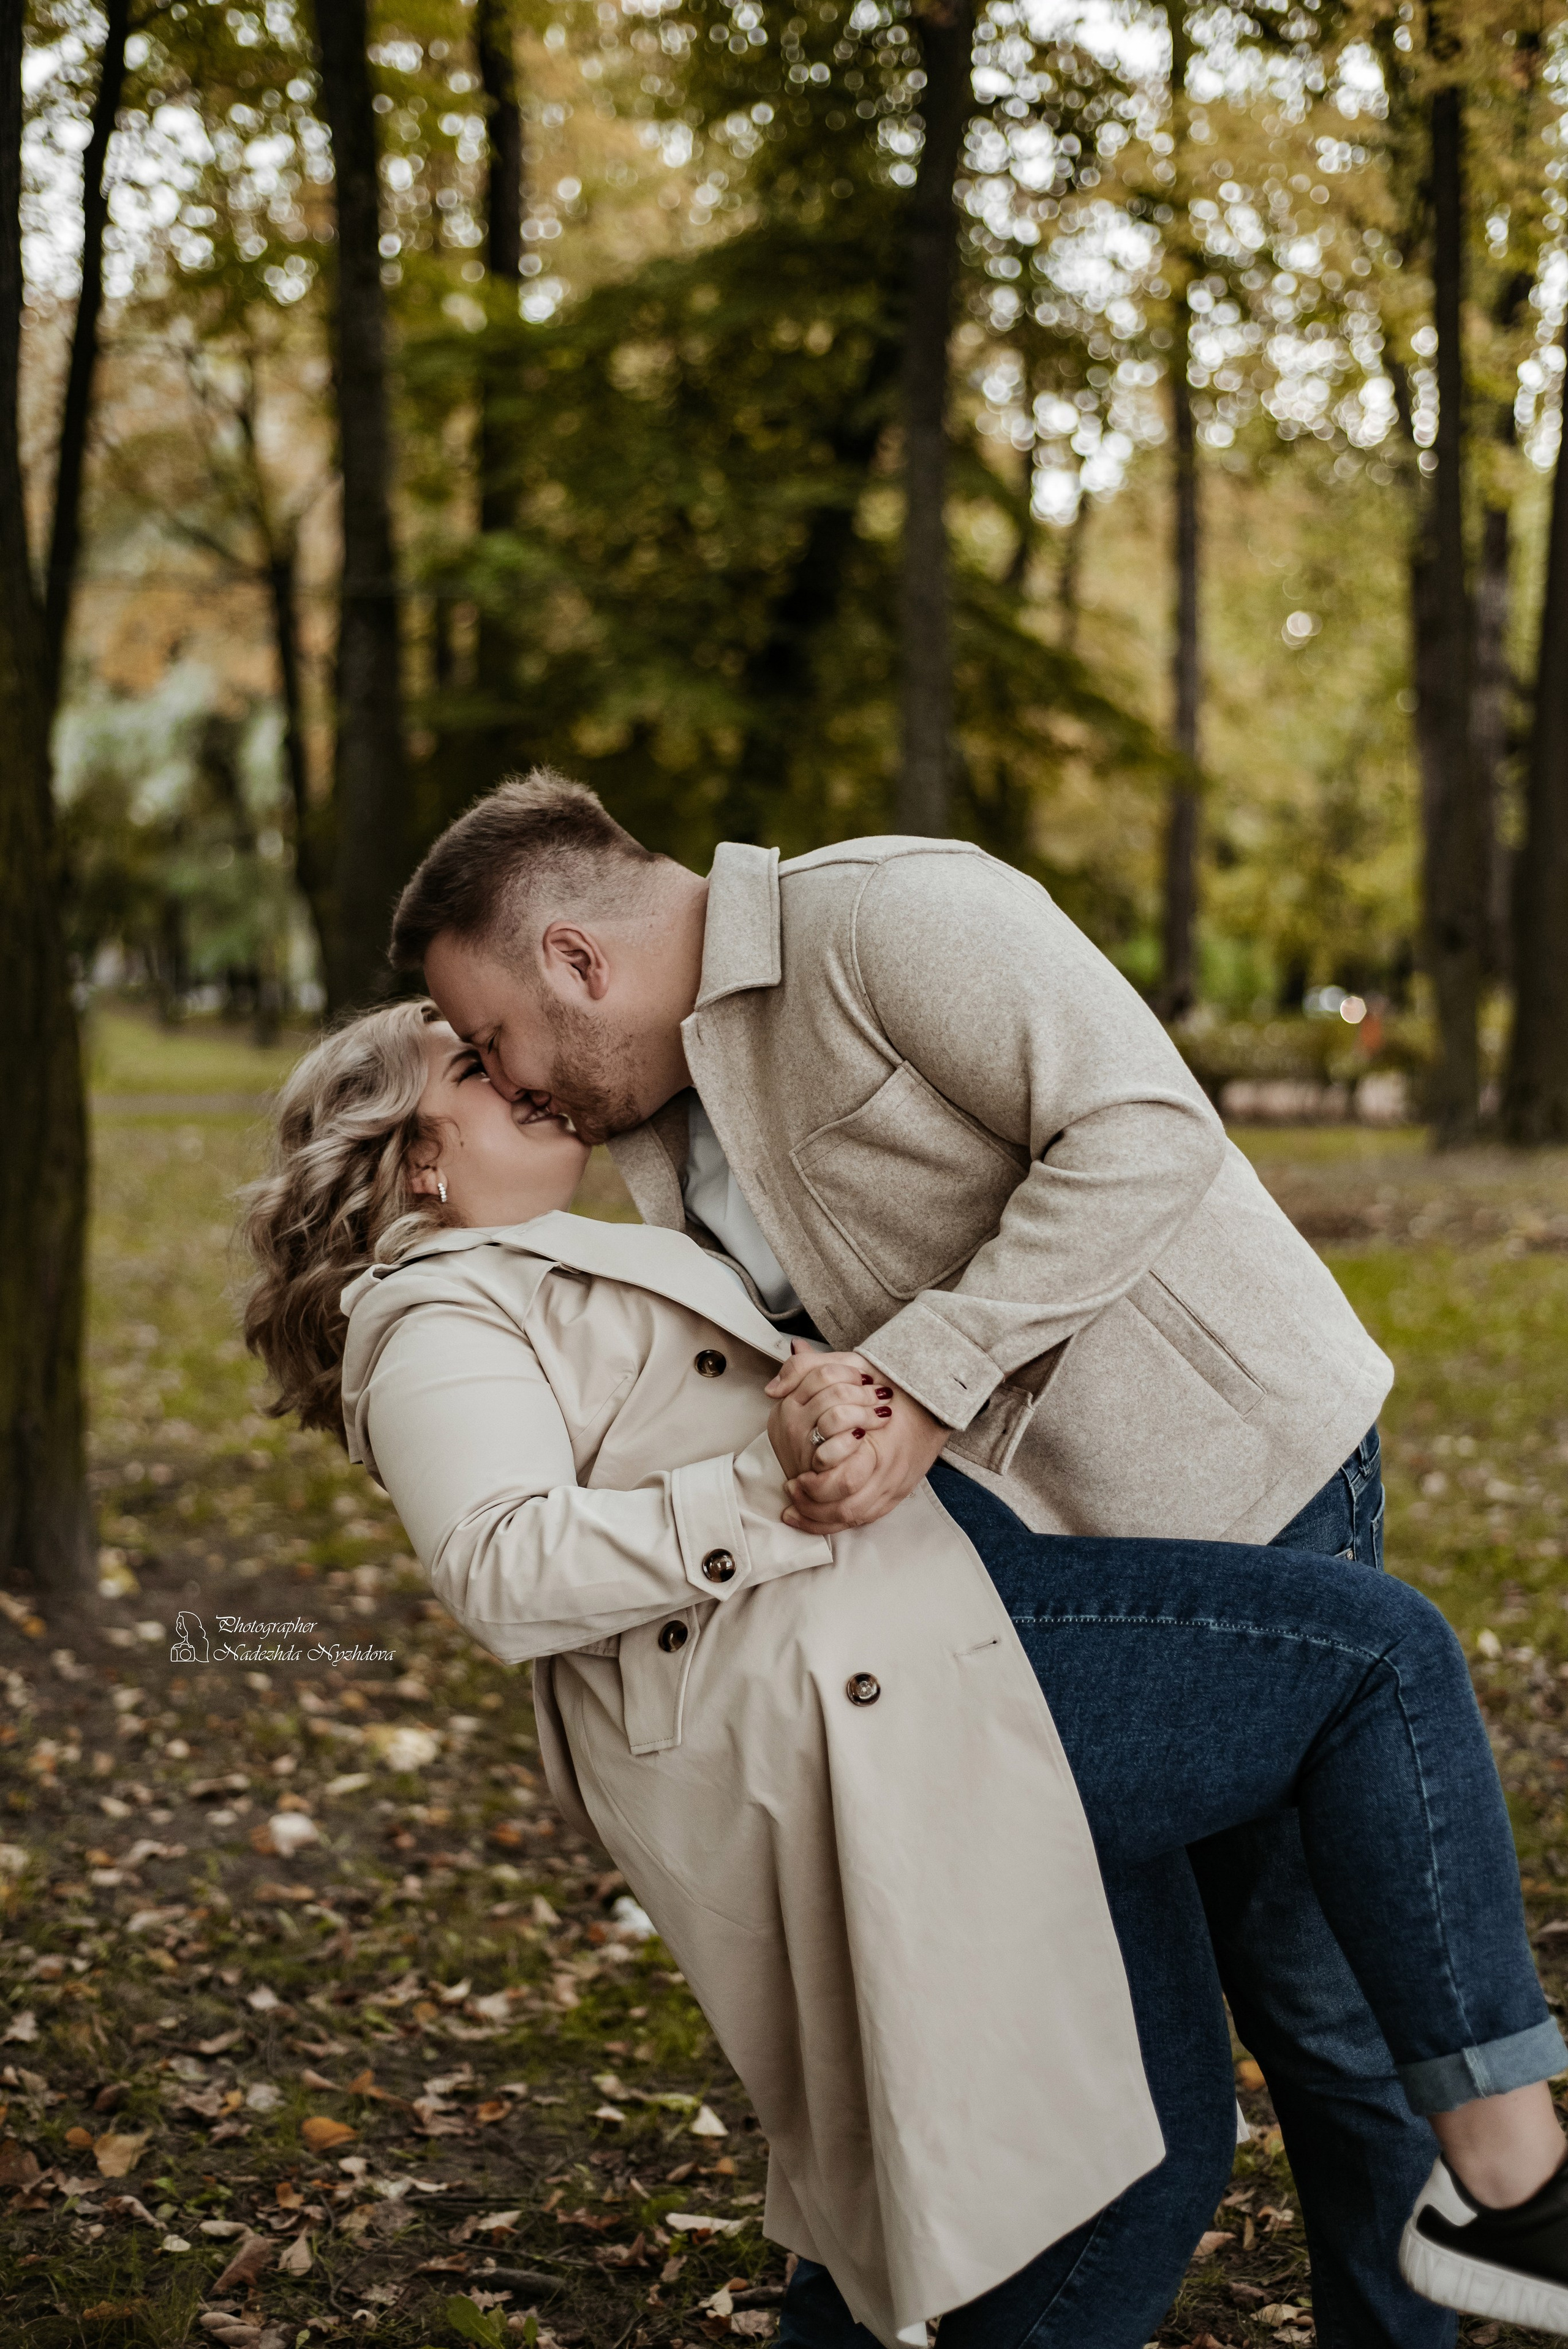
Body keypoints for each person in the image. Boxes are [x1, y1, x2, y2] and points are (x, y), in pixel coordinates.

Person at [243, 1000, 1568, 2349]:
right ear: (415, 1159)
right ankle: (1509, 2183)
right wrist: (765, 1484)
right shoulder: (428, 1309)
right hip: (900, 1699)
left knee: (1140, 2151)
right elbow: (499, 1563)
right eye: (472, 1066)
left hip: (928, 1649)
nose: (516, 1071)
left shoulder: (544, 1265)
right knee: (1372, 1657)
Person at [388, 773, 1439, 2346]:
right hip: (1019, 1585)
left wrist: (922, 1384)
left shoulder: (889, 914)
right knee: (1103, 2014)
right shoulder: (658, 1122)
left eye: (493, 1036)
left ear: (574, 959)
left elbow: (1142, 1128)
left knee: (1311, 2001)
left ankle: (1408, 2310)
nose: (501, 1076)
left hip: (1229, 1487)